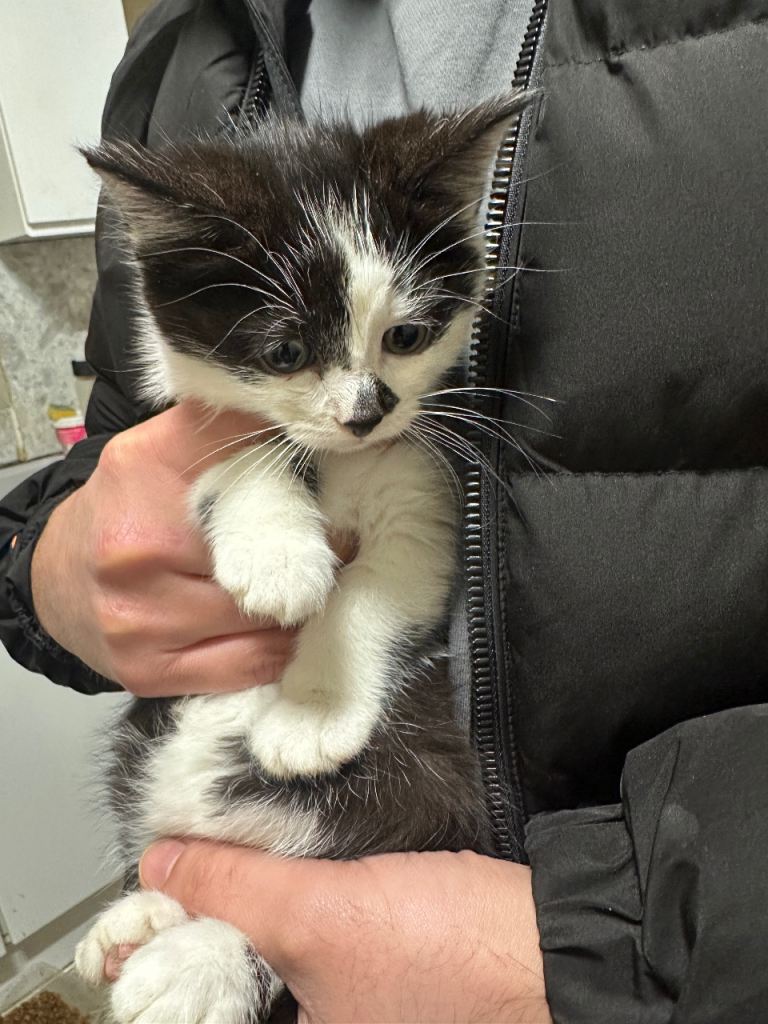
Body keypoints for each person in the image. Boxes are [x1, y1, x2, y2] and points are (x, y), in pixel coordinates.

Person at [2, 1, 767, 1020]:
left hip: (561, 929)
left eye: (405, 339)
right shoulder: (187, 48)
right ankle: (215, 919)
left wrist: (597, 953)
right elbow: (116, 451)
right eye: (289, 354)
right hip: (255, 849)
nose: (364, 405)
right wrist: (42, 558)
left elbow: (396, 534)